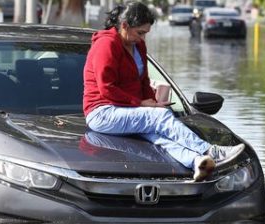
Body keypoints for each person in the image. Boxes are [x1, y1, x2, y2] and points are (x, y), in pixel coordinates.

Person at [83, 1, 245, 182]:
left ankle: (197, 161)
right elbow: (107, 89)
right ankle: (210, 151)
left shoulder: (138, 46)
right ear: (124, 26)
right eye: (140, 33)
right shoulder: (106, 45)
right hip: (101, 113)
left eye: (145, 33)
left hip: (126, 111)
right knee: (159, 118)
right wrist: (142, 104)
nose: (142, 38)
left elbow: (143, 81)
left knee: (158, 135)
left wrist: (153, 101)